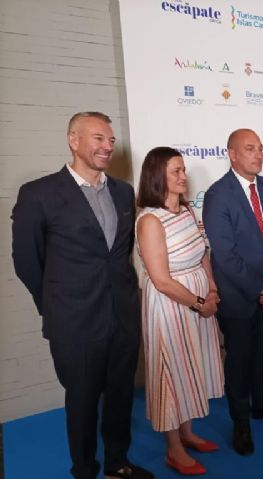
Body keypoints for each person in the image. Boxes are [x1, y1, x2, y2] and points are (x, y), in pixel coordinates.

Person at [11, 112, 153, 479]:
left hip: (122, 316)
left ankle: (117, 463)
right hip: (74, 322)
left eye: (110, 140)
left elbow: (120, 255)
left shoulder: (123, 191)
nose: (107, 146)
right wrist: (55, 306)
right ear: (73, 141)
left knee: (121, 395)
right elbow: (26, 261)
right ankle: (85, 470)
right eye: (98, 138)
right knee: (83, 400)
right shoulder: (39, 194)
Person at [202, 129, 263, 457]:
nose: (258, 155)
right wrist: (261, 289)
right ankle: (240, 421)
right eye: (249, 149)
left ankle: (262, 404)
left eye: (260, 148)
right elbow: (225, 255)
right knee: (240, 361)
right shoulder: (218, 195)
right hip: (239, 297)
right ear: (232, 154)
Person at [136, 147, 224, 476]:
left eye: (183, 169)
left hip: (198, 298)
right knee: (172, 373)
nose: (183, 176)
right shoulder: (149, 220)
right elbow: (161, 280)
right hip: (170, 305)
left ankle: (187, 434)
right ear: (157, 176)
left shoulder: (187, 210)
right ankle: (173, 449)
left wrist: (211, 289)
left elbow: (203, 254)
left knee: (192, 367)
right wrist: (200, 304)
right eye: (176, 170)